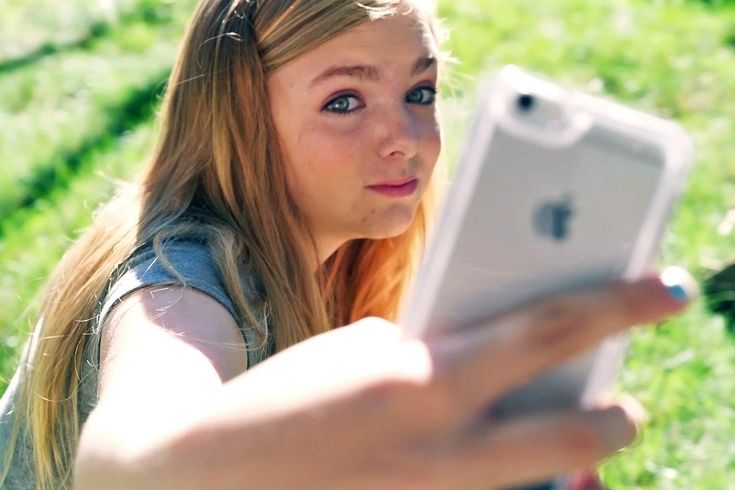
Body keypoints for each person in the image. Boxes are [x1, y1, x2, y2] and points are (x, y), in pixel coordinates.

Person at [0, 0, 694, 488]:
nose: (406, 138)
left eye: (419, 92)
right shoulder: (177, 282)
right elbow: (127, 459)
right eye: (343, 101)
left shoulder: (337, 255)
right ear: (240, 118)